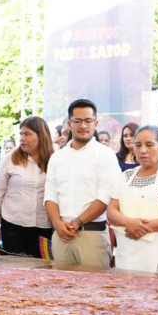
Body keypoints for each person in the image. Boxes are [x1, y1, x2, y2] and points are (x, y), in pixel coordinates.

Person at [43, 98, 122, 268]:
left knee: (94, 291)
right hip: (61, 235)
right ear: (69, 123)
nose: (83, 126)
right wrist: (57, 224)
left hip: (92, 236)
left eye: (88, 121)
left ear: (96, 123)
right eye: (77, 121)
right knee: (60, 290)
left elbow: (104, 198)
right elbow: (50, 196)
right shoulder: (57, 157)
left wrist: (78, 222)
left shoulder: (106, 155)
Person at [109, 126, 158, 275]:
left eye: (149, 144)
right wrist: (129, 223)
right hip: (128, 254)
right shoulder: (125, 176)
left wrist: (140, 227)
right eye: (138, 145)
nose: (143, 150)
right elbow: (111, 211)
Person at [0, 116, 53, 258]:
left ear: (41, 136)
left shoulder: (54, 160)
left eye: (27, 134)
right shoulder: (11, 159)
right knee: (14, 272)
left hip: (44, 227)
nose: (22, 138)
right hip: (13, 226)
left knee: (43, 272)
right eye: (21, 134)